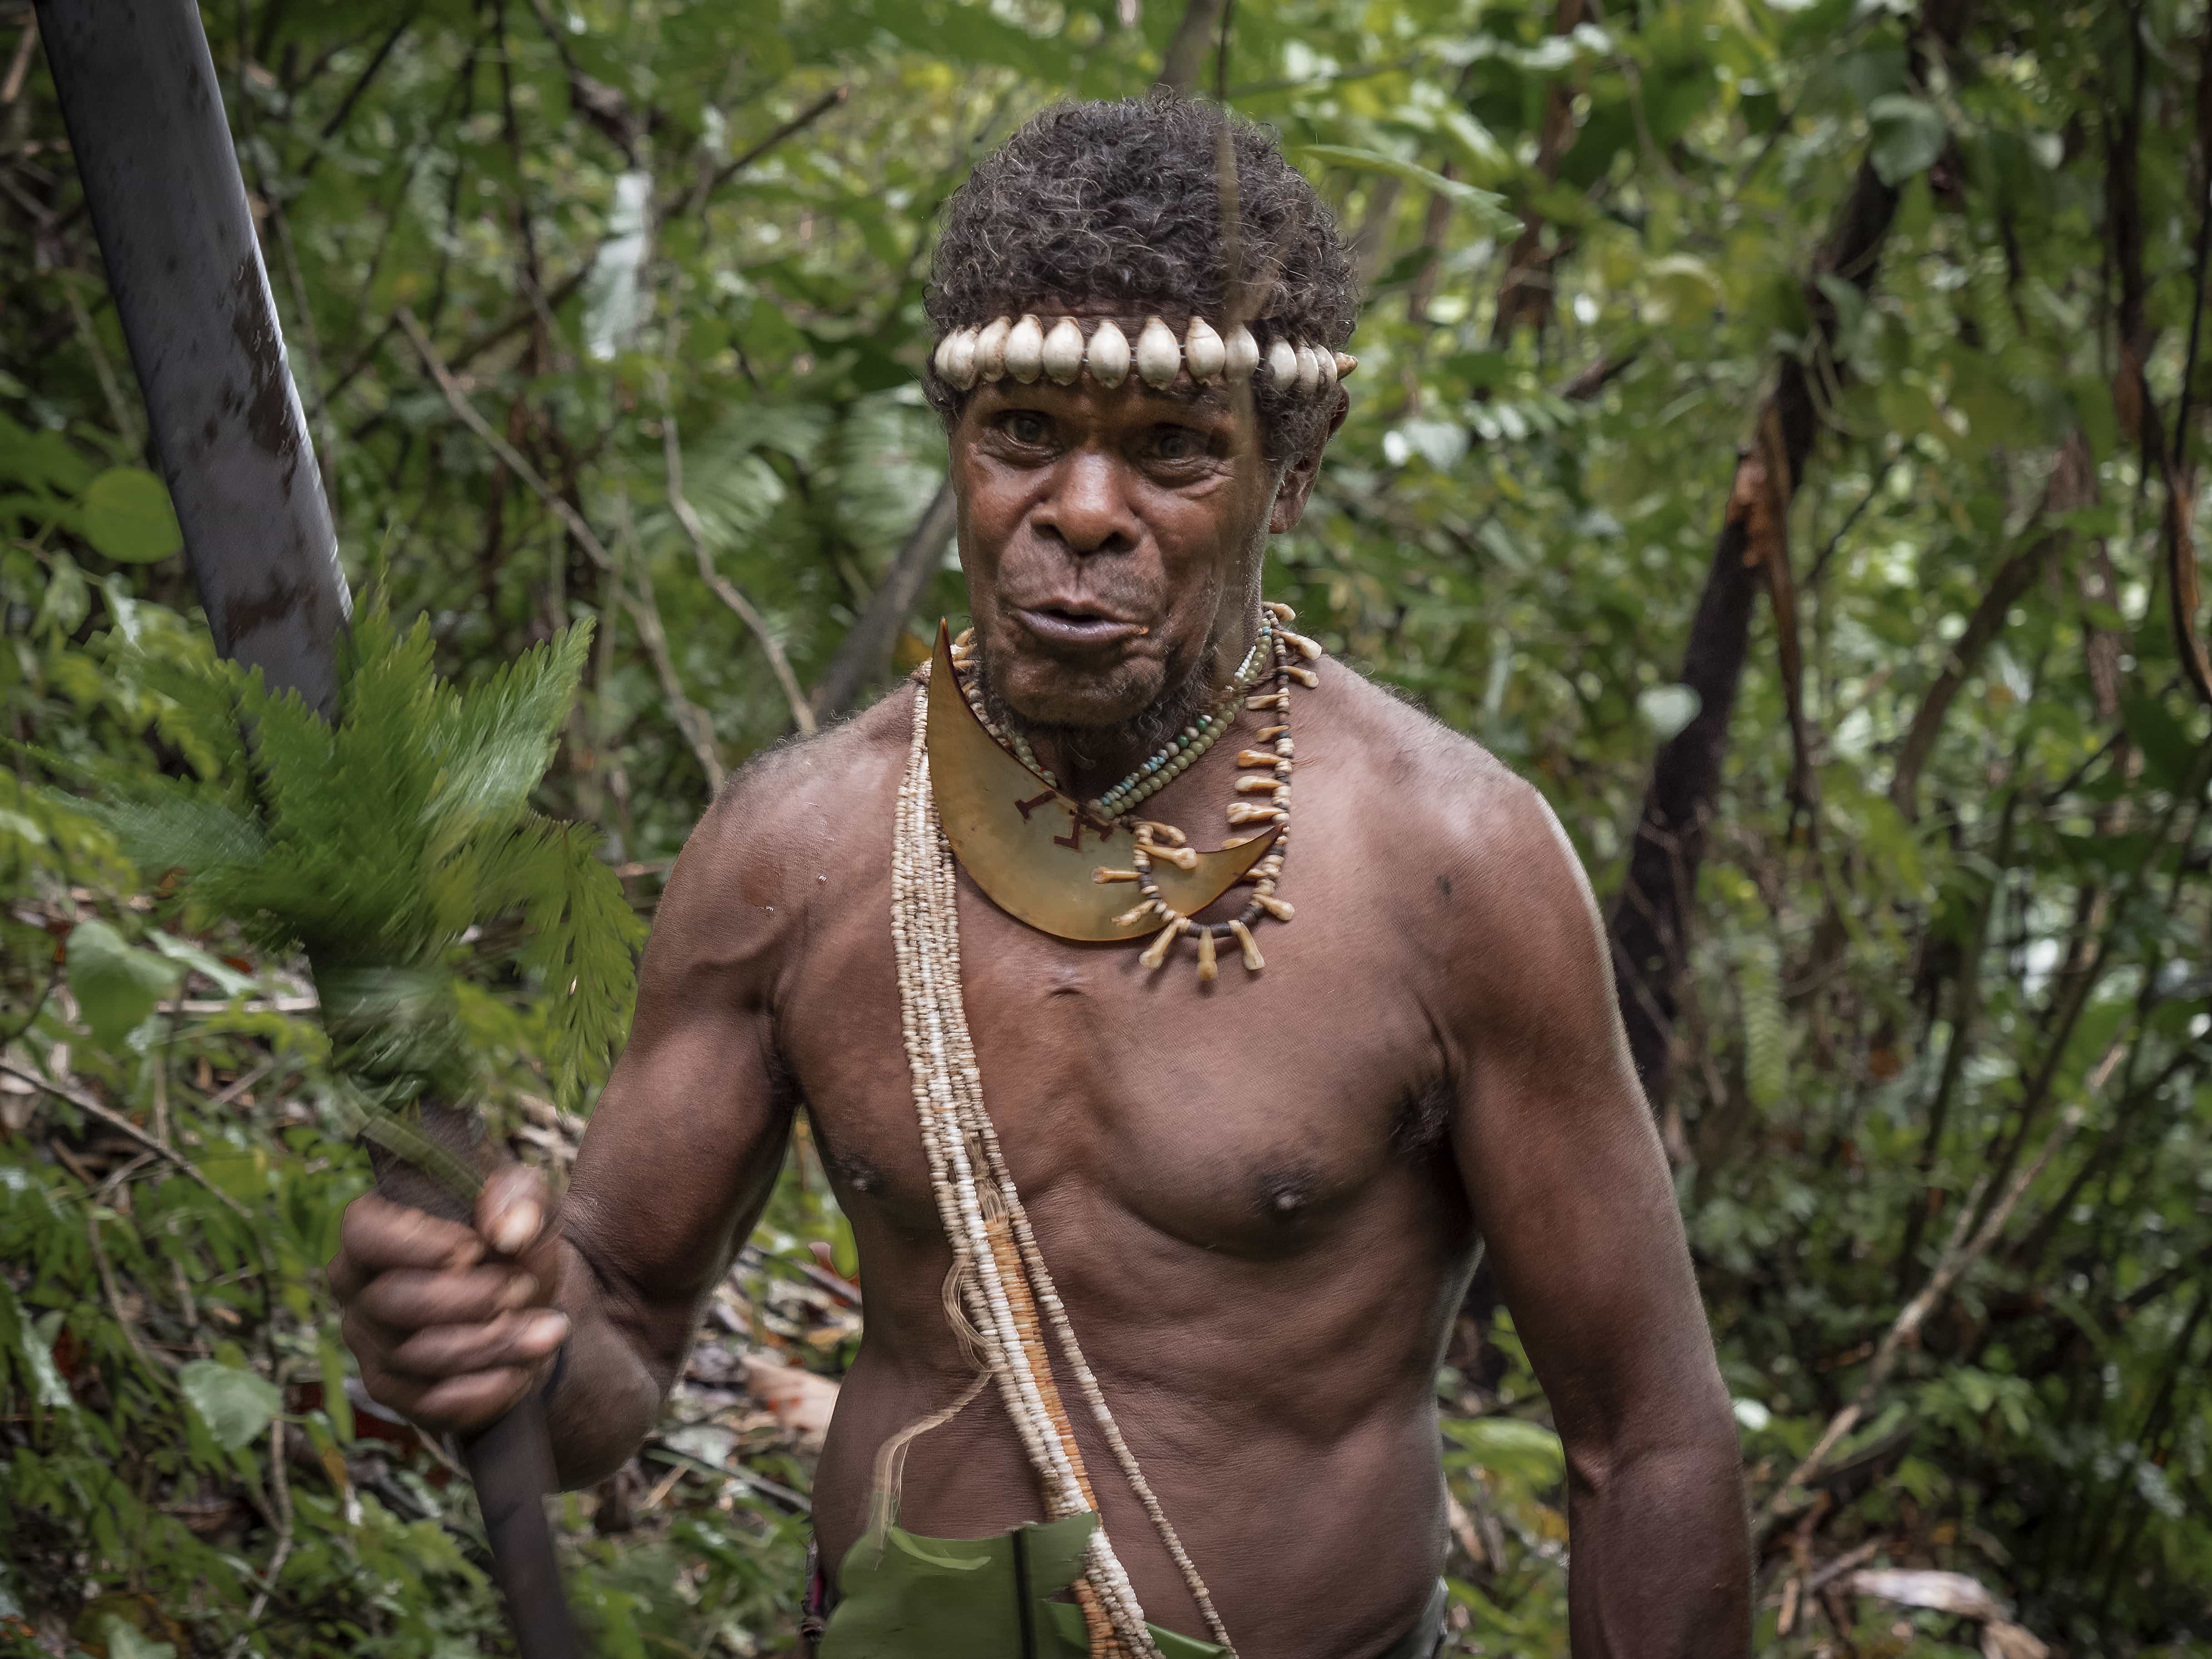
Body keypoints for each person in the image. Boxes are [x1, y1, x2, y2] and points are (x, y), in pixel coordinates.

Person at [329, 92, 1751, 1659]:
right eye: (1025, 432)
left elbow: (1649, 1439)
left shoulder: (1451, 868)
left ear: (1293, 471)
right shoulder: (799, 848)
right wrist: (496, 1332)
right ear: (956, 440)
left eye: (1171, 451)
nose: (1081, 514)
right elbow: (619, 1340)